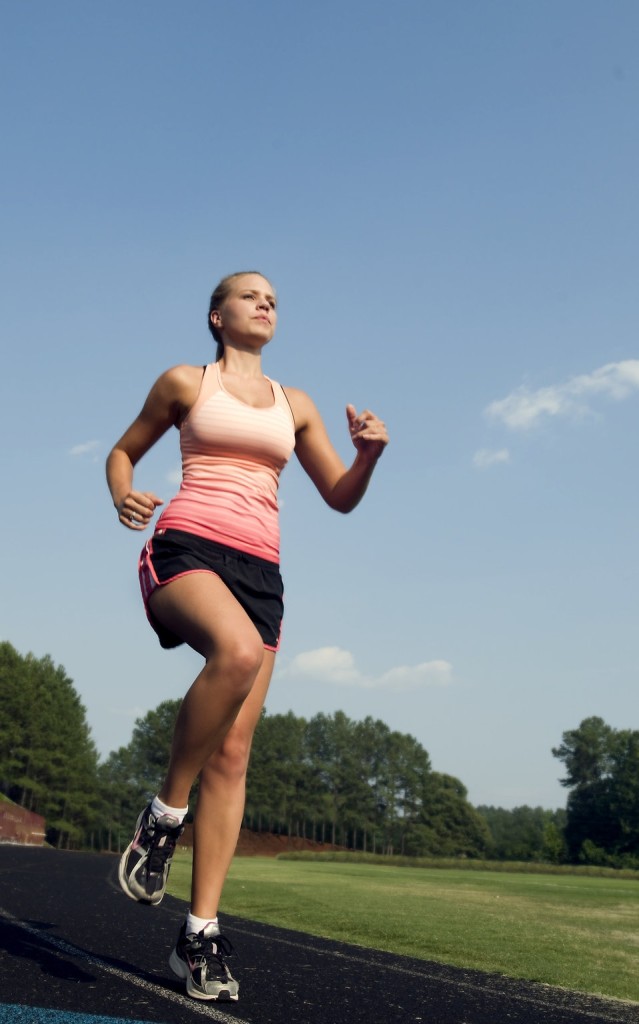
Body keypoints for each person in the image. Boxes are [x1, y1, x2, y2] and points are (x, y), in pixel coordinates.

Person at [106, 271, 388, 1002]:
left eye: (273, 299)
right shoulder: (185, 381)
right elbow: (123, 450)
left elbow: (338, 497)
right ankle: (164, 815)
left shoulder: (295, 405)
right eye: (249, 295)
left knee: (232, 755)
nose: (265, 303)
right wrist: (122, 492)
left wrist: (368, 457)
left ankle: (197, 938)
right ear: (216, 315)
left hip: (262, 572)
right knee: (232, 653)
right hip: (187, 549)